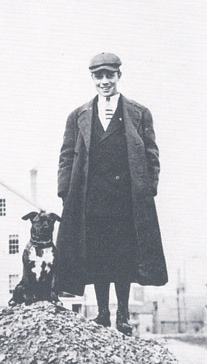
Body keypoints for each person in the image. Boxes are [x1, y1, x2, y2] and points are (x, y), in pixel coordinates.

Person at [56, 52, 168, 335]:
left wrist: (148, 187)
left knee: (124, 255)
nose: (104, 81)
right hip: (91, 197)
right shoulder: (77, 116)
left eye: (110, 75)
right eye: (98, 76)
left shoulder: (139, 113)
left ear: (119, 76)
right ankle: (103, 314)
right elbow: (67, 155)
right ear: (92, 78)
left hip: (126, 198)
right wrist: (65, 191)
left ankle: (123, 316)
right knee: (97, 253)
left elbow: (152, 153)